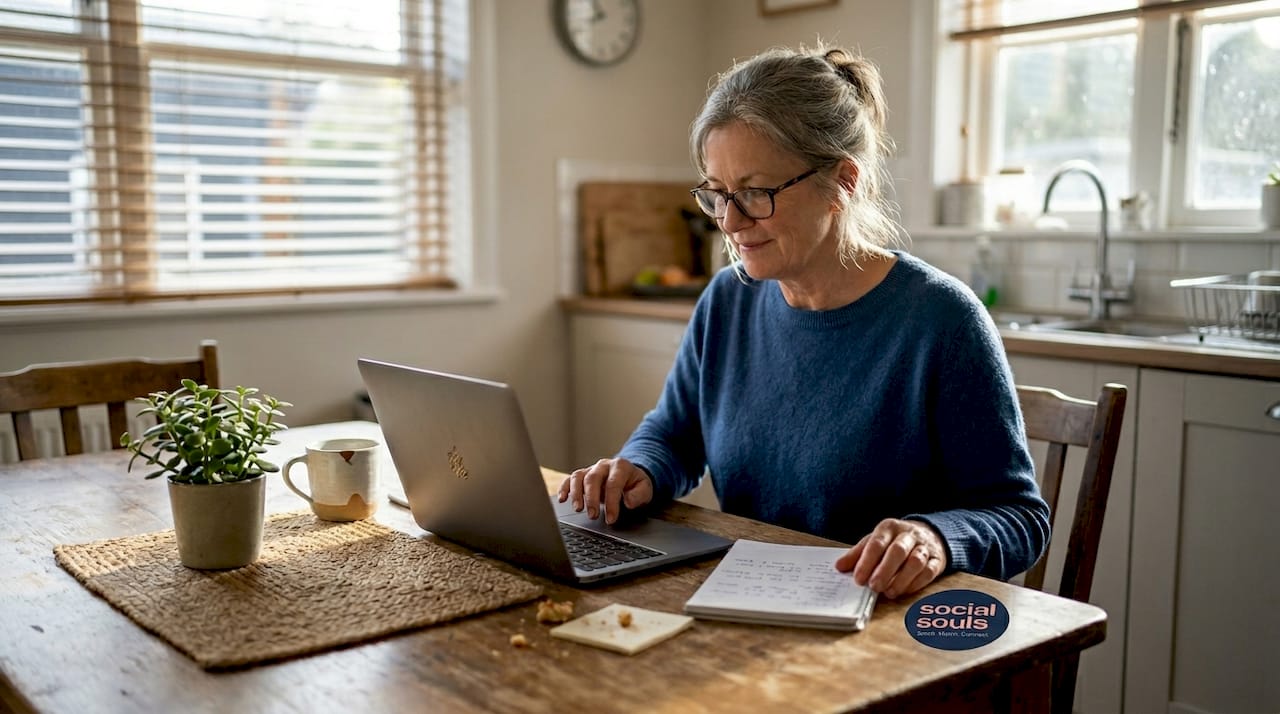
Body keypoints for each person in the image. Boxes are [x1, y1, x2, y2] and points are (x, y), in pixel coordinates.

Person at [559, 45, 1050, 600]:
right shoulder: (727, 299)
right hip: (755, 603)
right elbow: (675, 434)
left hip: (896, 630)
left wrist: (935, 536)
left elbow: (1018, 517)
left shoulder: (942, 320)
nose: (731, 222)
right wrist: (638, 469)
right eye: (717, 195)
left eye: (755, 193)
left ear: (843, 180)